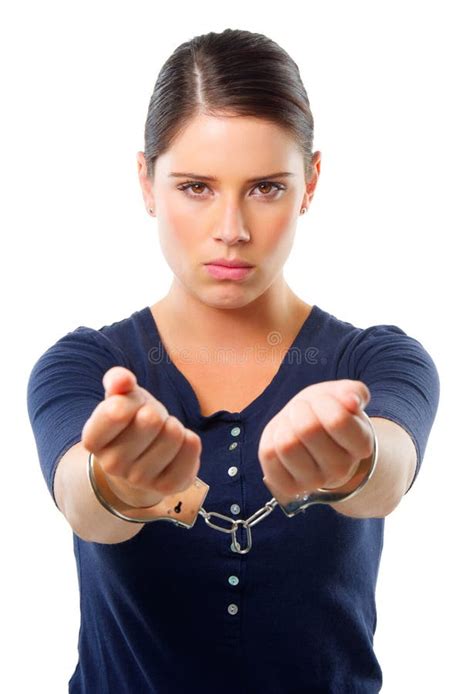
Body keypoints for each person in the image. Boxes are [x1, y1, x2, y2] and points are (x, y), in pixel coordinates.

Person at [26, 28, 440, 694]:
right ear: (146, 182)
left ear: (310, 183)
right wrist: (120, 486)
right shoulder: (84, 367)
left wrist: (353, 456)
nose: (231, 229)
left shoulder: (378, 361)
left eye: (266, 189)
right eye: (196, 186)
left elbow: (390, 472)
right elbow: (81, 498)